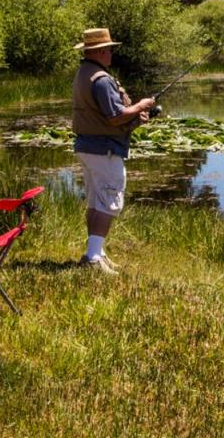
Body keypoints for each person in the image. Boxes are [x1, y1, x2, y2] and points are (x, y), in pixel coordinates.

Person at [71, 27, 155, 273]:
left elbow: (105, 117)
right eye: (109, 50)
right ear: (100, 51)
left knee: (97, 201)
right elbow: (115, 116)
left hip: (88, 147)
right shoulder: (102, 79)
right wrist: (141, 105)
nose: (111, 54)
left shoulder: (83, 73)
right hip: (103, 150)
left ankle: (96, 253)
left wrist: (135, 118)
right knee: (109, 202)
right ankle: (93, 259)